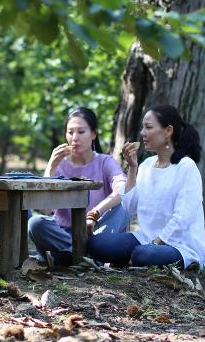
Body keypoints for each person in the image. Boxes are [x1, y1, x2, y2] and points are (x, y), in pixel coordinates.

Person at [86, 104, 205, 270]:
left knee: (143, 254)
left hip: (179, 245)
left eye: (148, 127)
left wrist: (156, 243)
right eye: (143, 127)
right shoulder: (146, 165)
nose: (143, 133)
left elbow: (183, 217)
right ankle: (134, 258)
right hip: (144, 239)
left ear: (168, 131)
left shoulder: (186, 167)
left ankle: (136, 258)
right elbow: (130, 208)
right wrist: (132, 168)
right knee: (96, 244)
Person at [28, 107, 130, 266]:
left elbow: (122, 189)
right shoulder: (59, 166)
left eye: (81, 132)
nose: (74, 138)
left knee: (125, 206)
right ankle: (86, 255)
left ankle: (71, 256)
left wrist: (94, 215)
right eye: (70, 132)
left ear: (94, 134)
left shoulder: (105, 162)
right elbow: (45, 210)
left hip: (96, 231)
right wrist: (50, 167)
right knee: (35, 223)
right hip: (62, 233)